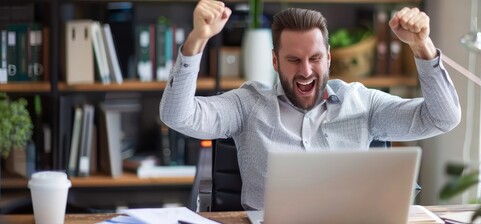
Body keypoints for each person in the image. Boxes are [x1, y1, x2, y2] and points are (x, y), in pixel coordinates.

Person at [160, 0, 461, 210]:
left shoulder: (363, 104)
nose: (305, 71)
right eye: (293, 60)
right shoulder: (247, 105)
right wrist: (197, 40)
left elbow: (442, 118)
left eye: (315, 58)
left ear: (328, 57)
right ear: (275, 61)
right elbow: (178, 115)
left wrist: (422, 46)